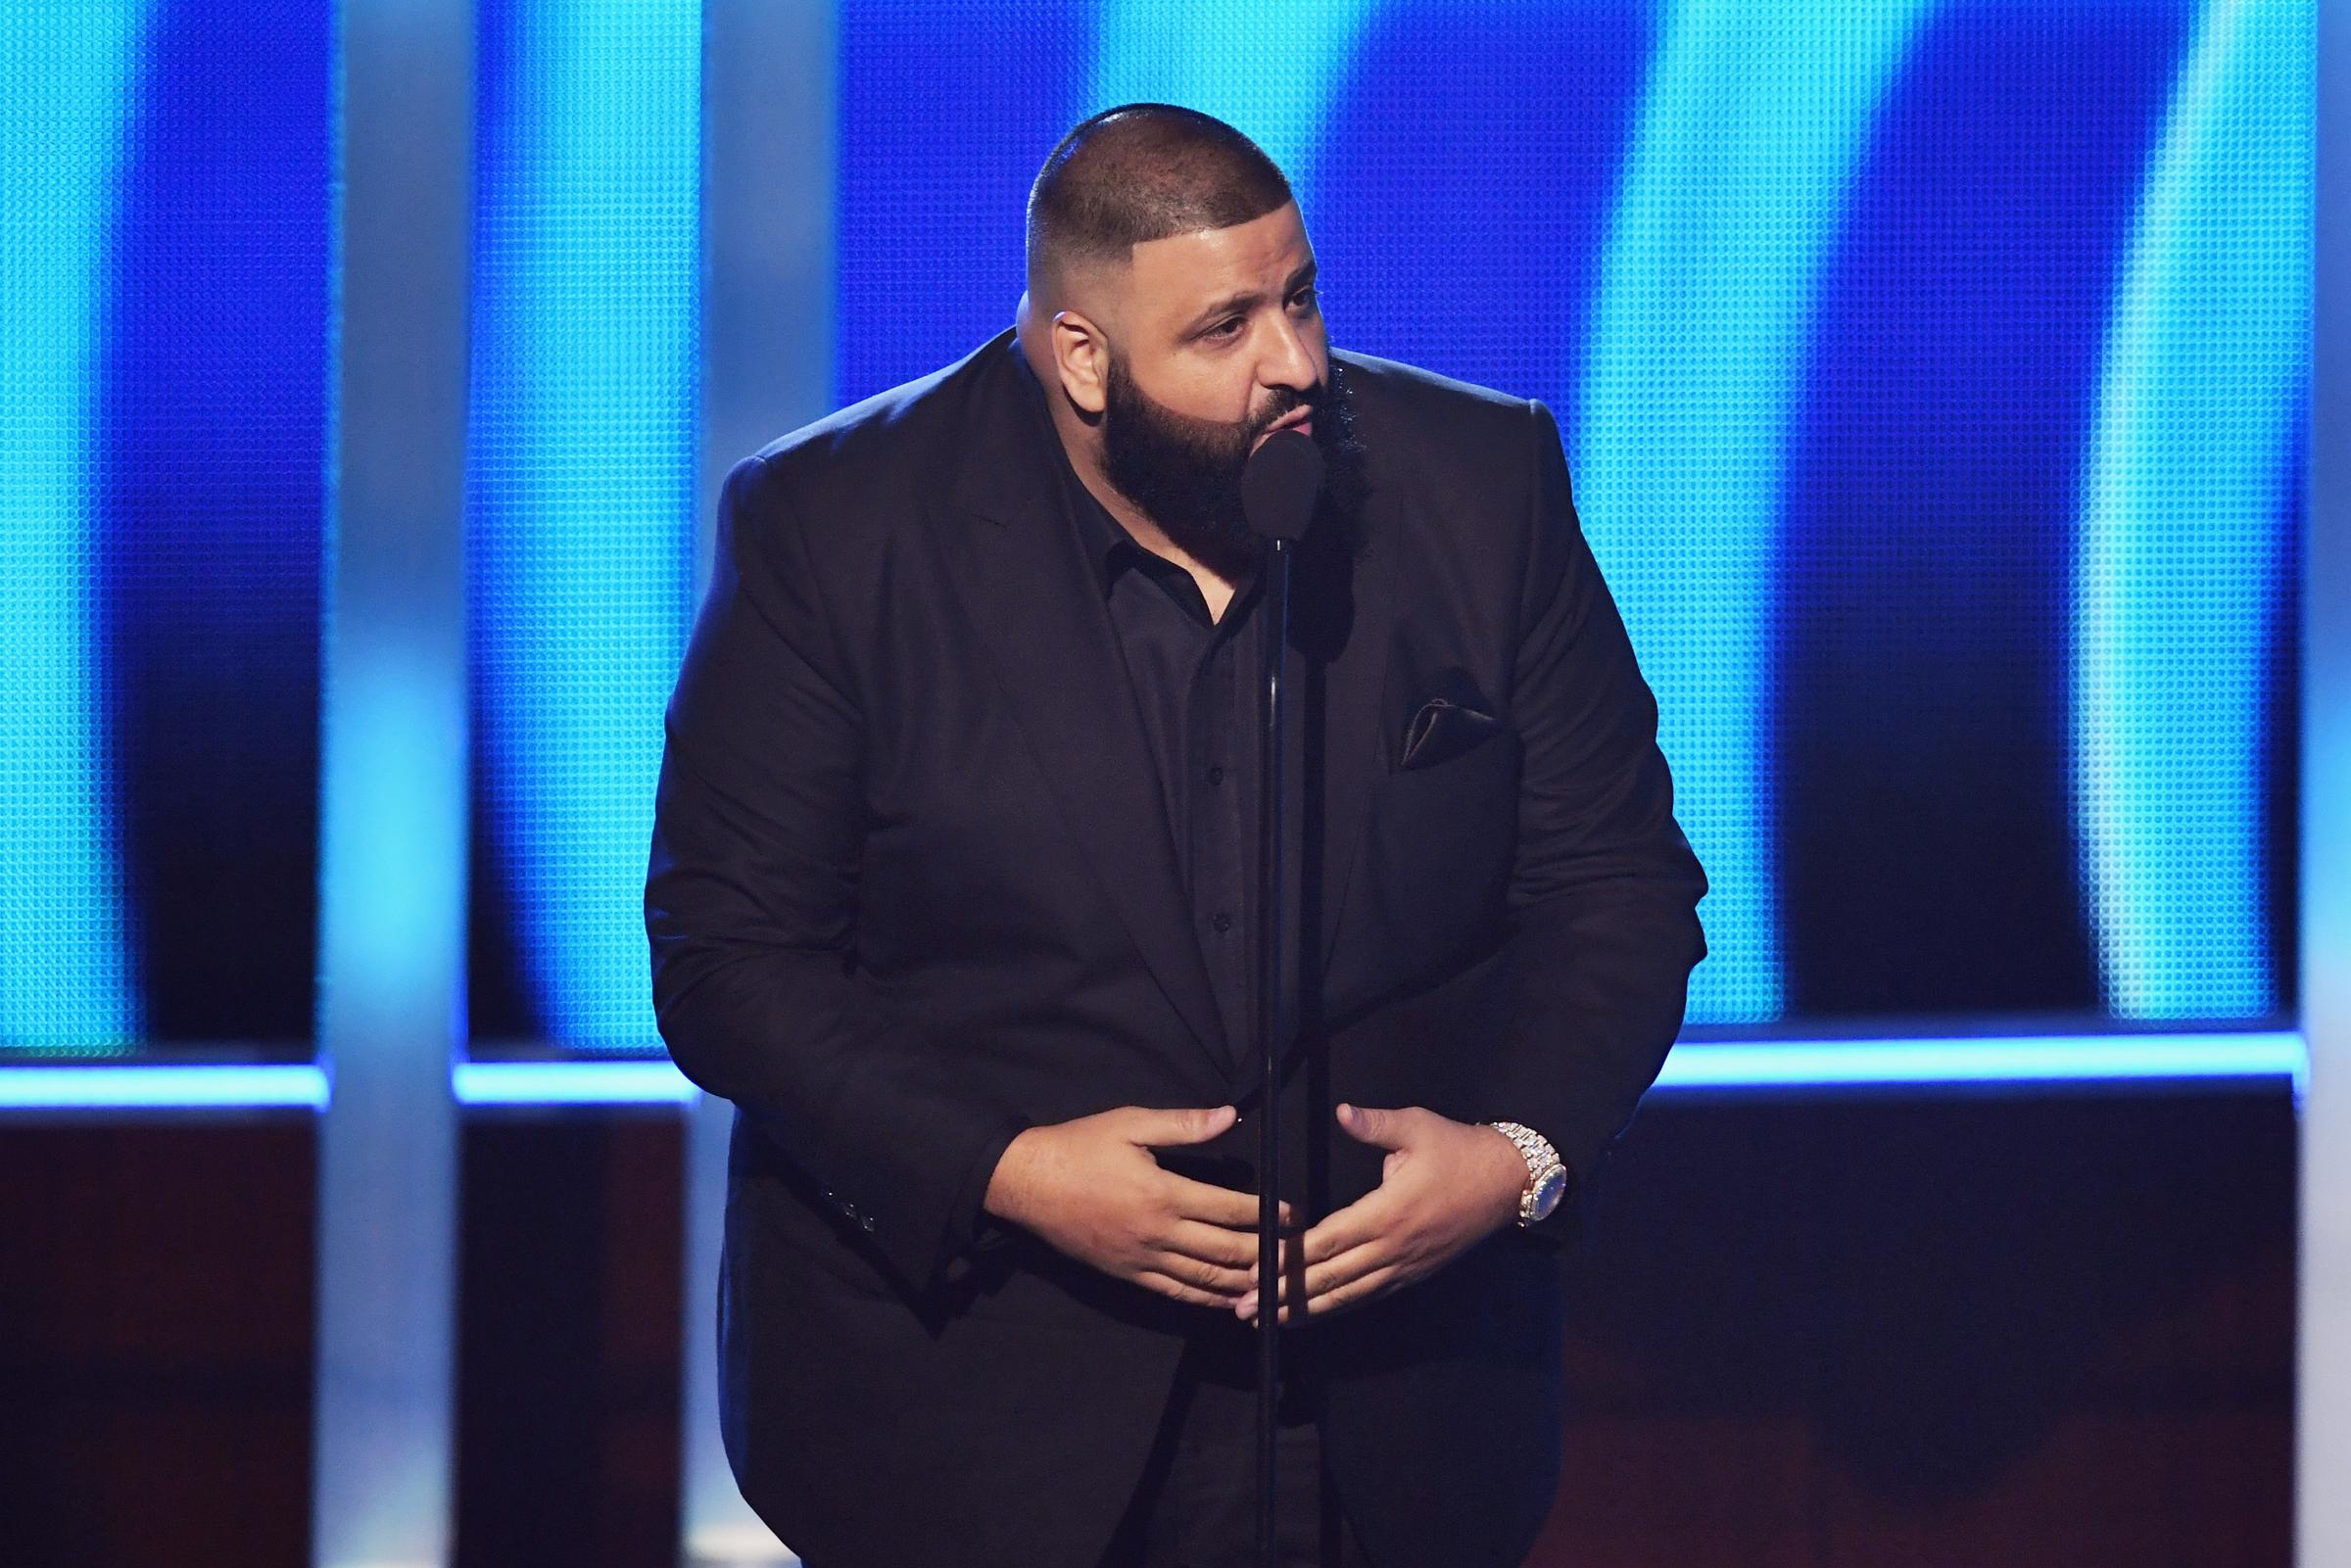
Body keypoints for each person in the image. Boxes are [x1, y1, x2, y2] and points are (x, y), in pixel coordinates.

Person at [646, 104, 1708, 1568]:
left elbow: (1619, 885)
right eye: (1225, 329)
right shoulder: (835, 529)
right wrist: (1009, 1169)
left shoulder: (1481, 484)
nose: (1297, 364)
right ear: (1083, 359)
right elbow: (730, 958)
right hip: (972, 1406)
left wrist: (1518, 1152)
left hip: (1390, 1407)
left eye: (1301, 299)